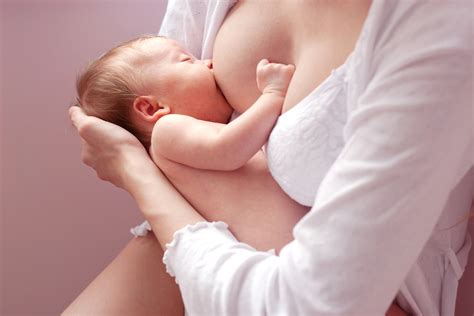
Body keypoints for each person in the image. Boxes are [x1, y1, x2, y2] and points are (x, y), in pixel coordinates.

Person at [64, 0, 473, 315]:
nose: (204, 63)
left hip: (327, 293)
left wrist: (132, 167)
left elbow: (308, 305)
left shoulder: (439, 29)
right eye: (191, 62)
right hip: (194, 239)